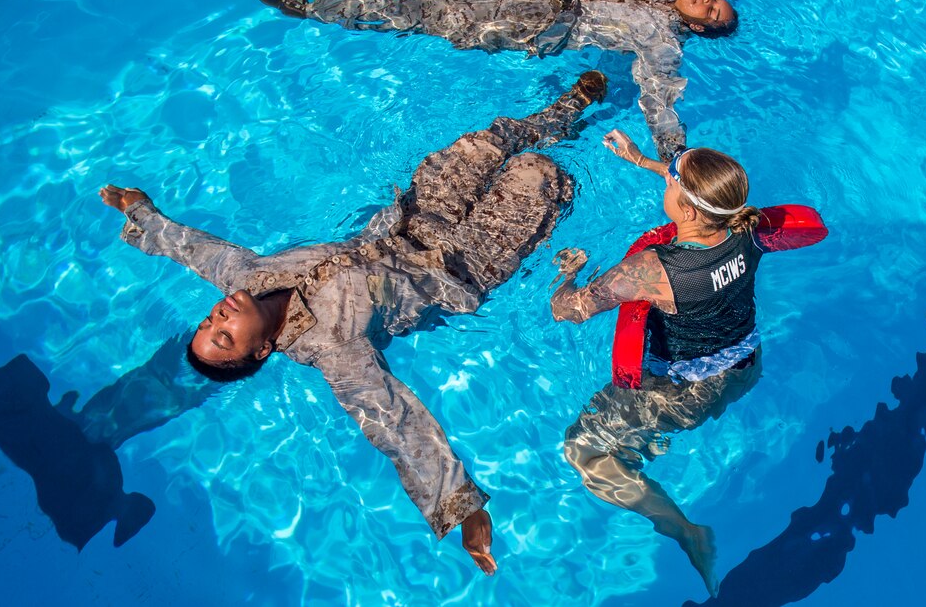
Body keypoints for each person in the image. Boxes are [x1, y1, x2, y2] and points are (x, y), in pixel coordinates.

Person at [98, 70, 608, 576]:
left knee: (484, 143)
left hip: (416, 216)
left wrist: (140, 211)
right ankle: (564, 161)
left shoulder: (247, 275)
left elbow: (194, 251)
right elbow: (395, 422)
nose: (219, 316)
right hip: (464, 263)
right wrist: (464, 508)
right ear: (260, 353)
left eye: (208, 322)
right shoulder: (333, 348)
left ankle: (563, 113)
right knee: (536, 172)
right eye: (224, 336)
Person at [253, 0, 772, 161]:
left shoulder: (662, 43)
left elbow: (659, 100)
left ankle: (312, 9)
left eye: (711, 10)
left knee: (409, 14)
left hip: (527, 24)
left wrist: (675, 155)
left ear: (700, 28)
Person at [549, 130, 770, 595]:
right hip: (744, 368)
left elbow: (570, 310)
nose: (665, 183)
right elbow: (706, 202)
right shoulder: (749, 227)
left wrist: (568, 273)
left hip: (681, 395)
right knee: (635, 432)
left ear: (687, 211)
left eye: (671, 181)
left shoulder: (653, 270)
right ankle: (647, 441)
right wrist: (644, 162)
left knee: (582, 454)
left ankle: (686, 531)